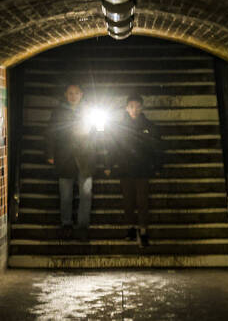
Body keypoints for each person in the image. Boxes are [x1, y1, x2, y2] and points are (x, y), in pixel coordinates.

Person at [105, 94, 161, 247]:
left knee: (142, 201)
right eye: (131, 106)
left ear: (141, 107)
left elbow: (156, 148)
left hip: (142, 169)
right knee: (128, 201)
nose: (134, 110)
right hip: (125, 168)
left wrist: (157, 166)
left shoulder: (149, 126)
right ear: (126, 108)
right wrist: (108, 165)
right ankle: (130, 228)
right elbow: (113, 147)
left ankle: (143, 231)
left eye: (137, 106)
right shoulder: (120, 127)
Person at [45, 83, 97, 241]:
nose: (73, 96)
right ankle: (66, 224)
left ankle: (82, 226)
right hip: (65, 158)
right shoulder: (59, 112)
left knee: (85, 195)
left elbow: (97, 134)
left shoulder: (89, 111)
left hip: (85, 158)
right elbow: (50, 133)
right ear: (66, 95)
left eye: (76, 93)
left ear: (81, 94)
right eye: (70, 93)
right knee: (66, 195)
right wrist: (50, 153)